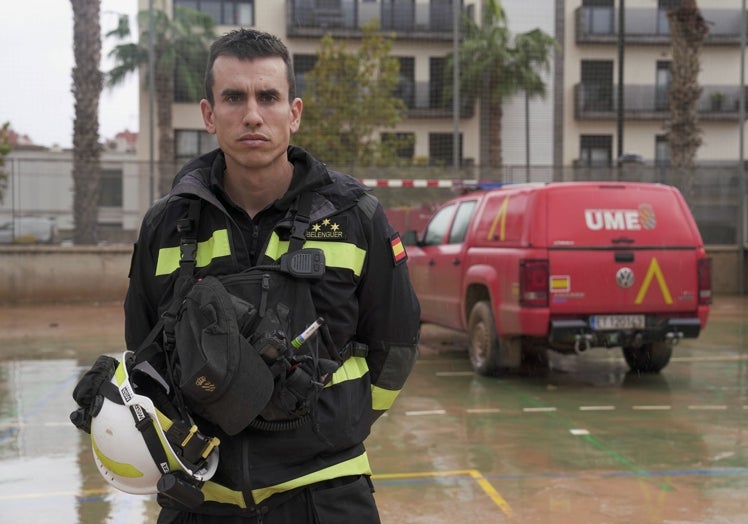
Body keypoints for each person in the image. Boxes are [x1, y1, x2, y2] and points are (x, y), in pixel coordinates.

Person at [124, 28, 421, 523]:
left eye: (268, 96)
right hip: (201, 501)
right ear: (209, 115)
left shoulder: (356, 216)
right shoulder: (165, 225)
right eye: (234, 97)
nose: (253, 114)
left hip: (326, 494)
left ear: (294, 112)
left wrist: (337, 423)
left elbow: (397, 342)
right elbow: (144, 350)